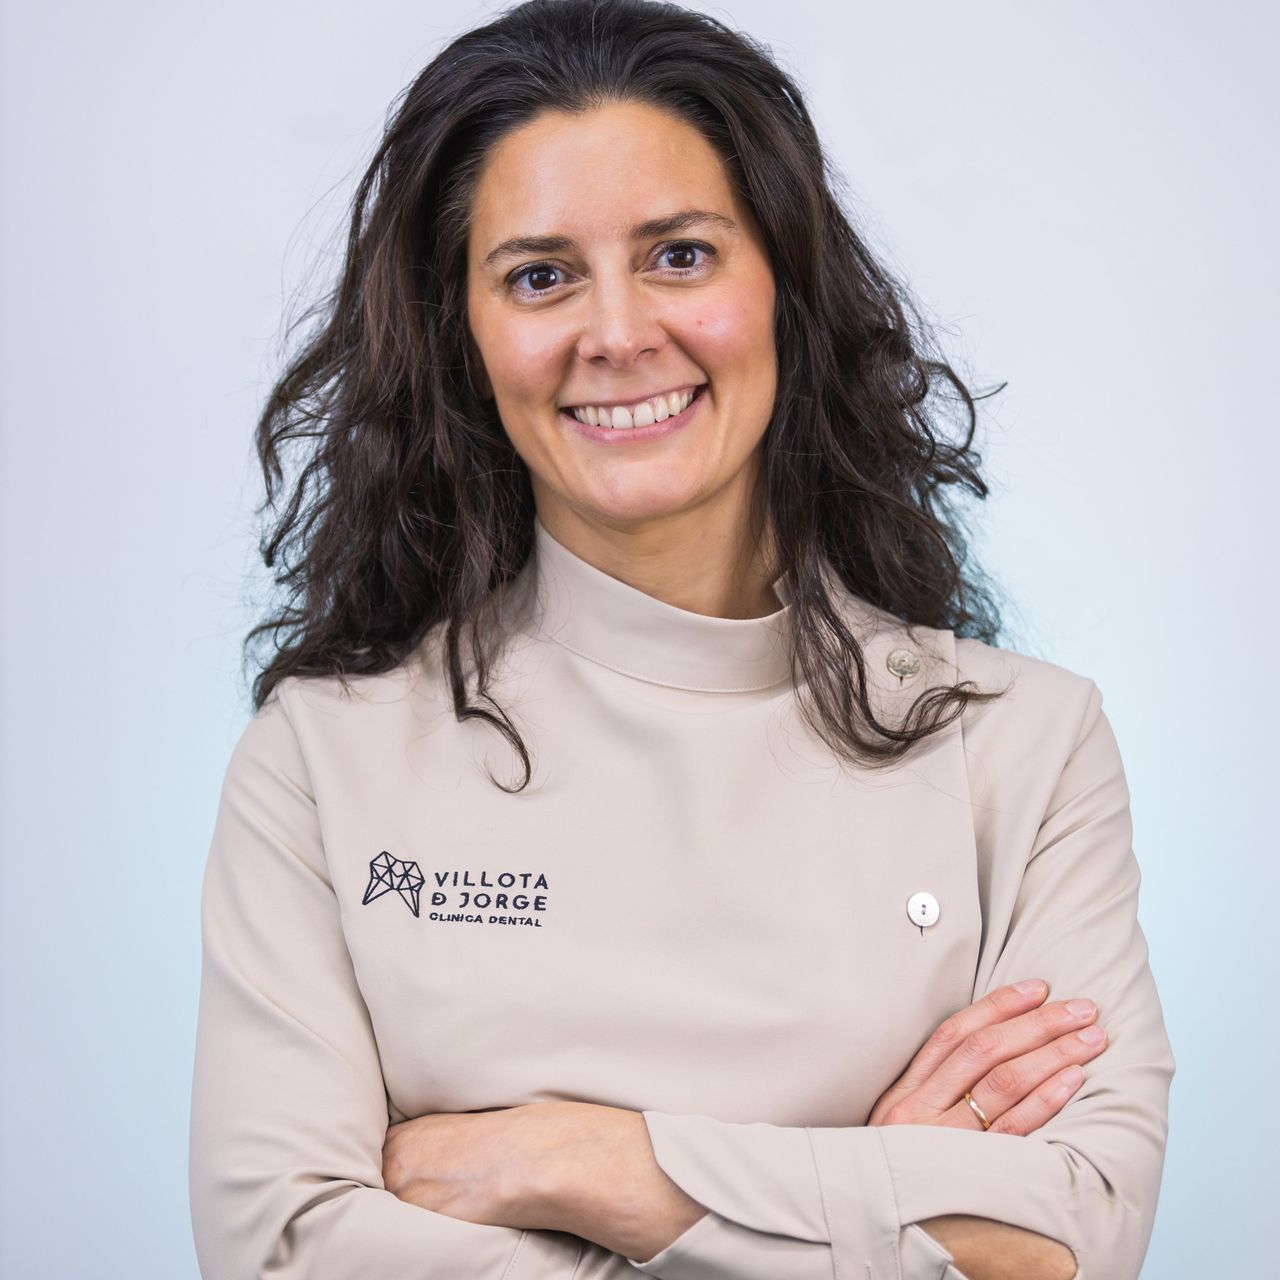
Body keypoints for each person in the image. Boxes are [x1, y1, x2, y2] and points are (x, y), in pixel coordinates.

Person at [187, 1, 1174, 1277]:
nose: (616, 333)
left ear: (783, 288)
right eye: (539, 275)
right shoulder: (320, 763)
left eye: (679, 255)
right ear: (461, 337)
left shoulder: (1022, 747)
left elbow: (1071, 1238)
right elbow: (280, 1249)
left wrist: (583, 1161)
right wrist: (869, 1199)